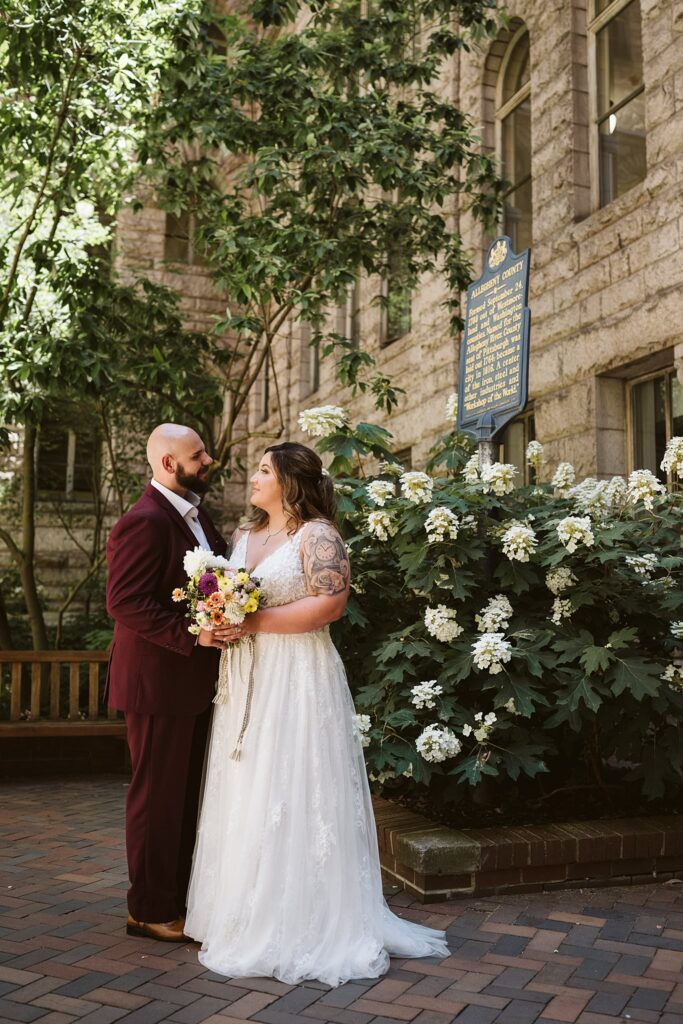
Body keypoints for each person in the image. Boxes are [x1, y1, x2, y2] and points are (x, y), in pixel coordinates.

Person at [184, 441, 449, 986]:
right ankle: (246, 913)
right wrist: (214, 623)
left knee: (293, 785)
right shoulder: (243, 536)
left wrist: (250, 623)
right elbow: (224, 600)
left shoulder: (318, 535)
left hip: (297, 676)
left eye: (263, 470)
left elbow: (330, 604)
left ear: (288, 481)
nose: (253, 478)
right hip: (244, 682)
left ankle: (307, 920)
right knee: (250, 786)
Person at [105, 423, 227, 941]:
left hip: (192, 685)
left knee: (183, 797)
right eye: (198, 455)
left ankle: (175, 900)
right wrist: (190, 635)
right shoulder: (145, 520)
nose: (209, 460)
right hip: (156, 684)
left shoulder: (197, 518)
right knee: (156, 798)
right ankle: (148, 910)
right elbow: (125, 602)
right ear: (168, 464)